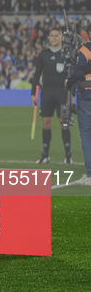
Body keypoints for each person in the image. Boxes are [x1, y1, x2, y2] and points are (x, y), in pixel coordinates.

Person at [31, 28, 72, 164]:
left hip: (62, 93)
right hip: (47, 92)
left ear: (61, 38)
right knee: (46, 123)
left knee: (64, 123)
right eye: (52, 36)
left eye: (57, 36)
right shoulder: (44, 54)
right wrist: (33, 93)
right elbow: (36, 75)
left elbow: (71, 76)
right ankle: (45, 155)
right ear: (49, 37)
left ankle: (68, 155)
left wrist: (71, 94)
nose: (54, 38)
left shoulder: (66, 55)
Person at [66, 25, 91, 185]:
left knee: (86, 134)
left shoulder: (85, 49)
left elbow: (80, 71)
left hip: (87, 92)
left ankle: (90, 174)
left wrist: (69, 79)